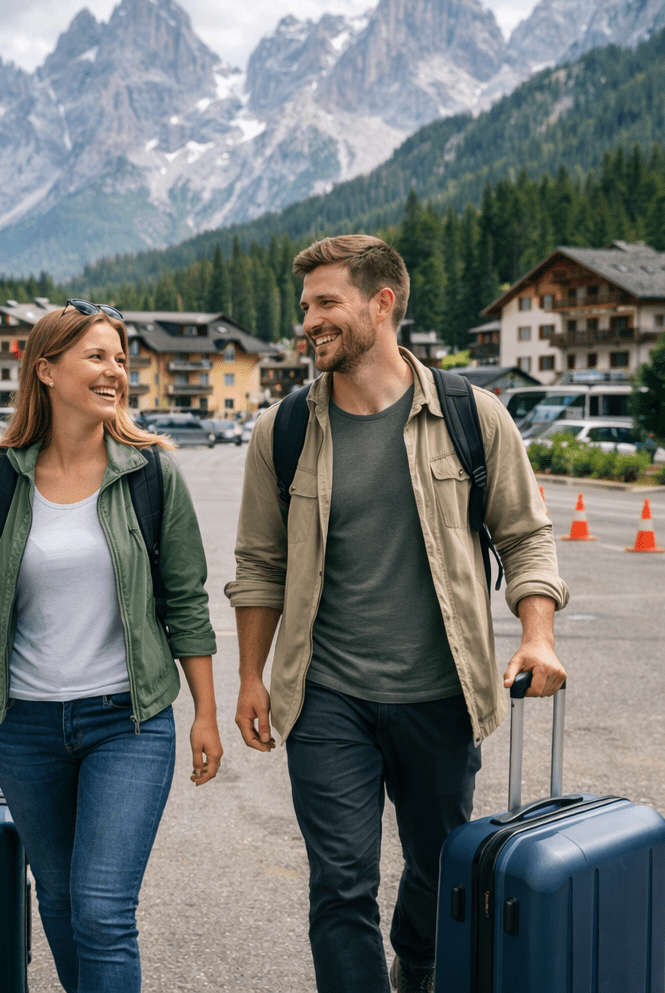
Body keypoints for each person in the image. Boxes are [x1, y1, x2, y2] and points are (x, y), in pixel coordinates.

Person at [226, 236, 570, 993]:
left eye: (326, 303)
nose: (308, 320)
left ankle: (417, 962)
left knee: (439, 865)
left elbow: (524, 535)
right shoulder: (281, 431)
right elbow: (260, 564)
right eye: (306, 304)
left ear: (382, 305)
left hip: (440, 690)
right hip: (327, 697)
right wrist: (251, 675)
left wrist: (537, 635)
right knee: (340, 886)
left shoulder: (470, 415)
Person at [0, 300, 223, 993]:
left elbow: (185, 603)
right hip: (26, 728)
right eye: (98, 357)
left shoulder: (151, 473)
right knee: (60, 900)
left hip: (128, 723)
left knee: (104, 910)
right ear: (45, 370)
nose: (115, 372)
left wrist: (204, 711)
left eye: (120, 359)